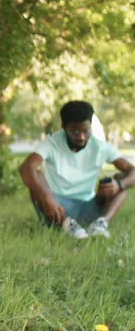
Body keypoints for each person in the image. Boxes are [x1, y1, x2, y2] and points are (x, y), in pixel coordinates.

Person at [19, 101, 135, 239]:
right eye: (74, 131)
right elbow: (26, 168)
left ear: (91, 126)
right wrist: (46, 196)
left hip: (89, 206)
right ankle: (67, 225)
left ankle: (100, 224)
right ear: (64, 127)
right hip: (57, 209)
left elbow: (131, 171)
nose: (81, 137)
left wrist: (118, 185)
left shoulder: (100, 147)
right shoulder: (52, 143)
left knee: (121, 179)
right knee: (36, 177)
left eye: (86, 131)